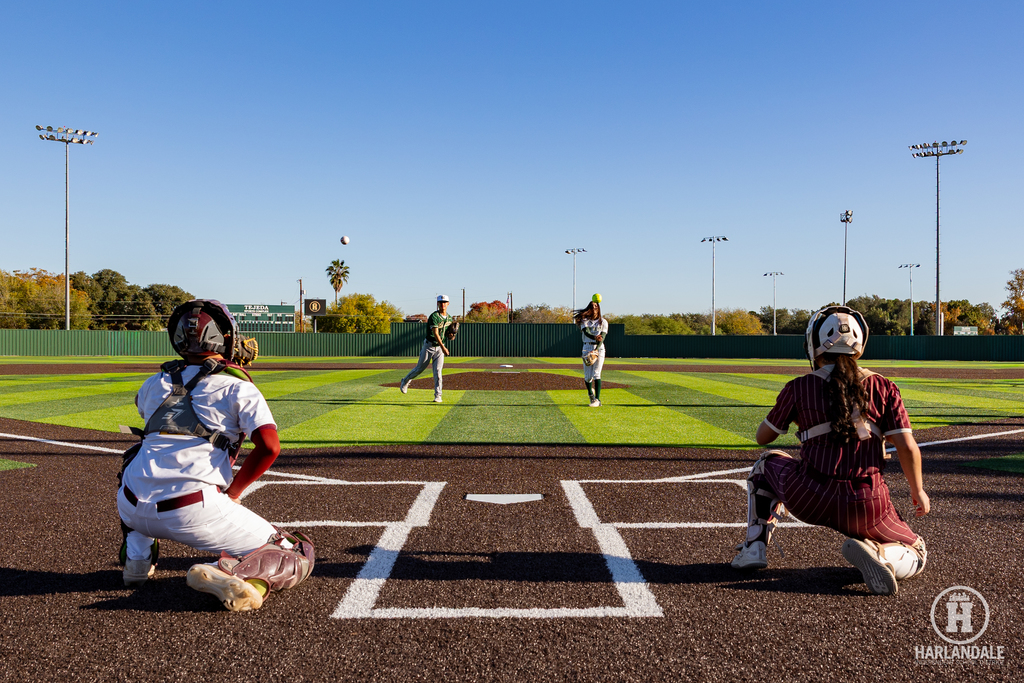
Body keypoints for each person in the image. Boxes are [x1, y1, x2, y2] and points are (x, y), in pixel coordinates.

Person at [117, 299, 314, 612]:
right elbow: (269, 447)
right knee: (296, 551)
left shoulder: (154, 382)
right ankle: (234, 576)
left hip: (130, 505)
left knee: (138, 458)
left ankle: (137, 562)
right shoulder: (237, 387)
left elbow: (147, 414)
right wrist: (234, 493)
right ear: (222, 338)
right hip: (190, 511)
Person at [730, 305, 929, 596]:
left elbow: (763, 438)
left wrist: (801, 416)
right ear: (860, 345)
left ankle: (753, 548)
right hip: (866, 504)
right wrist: (918, 490)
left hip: (808, 496)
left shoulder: (799, 387)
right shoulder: (885, 387)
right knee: (917, 550)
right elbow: (907, 447)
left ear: (814, 345)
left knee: (765, 464)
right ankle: (882, 556)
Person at [399, 294, 455, 403]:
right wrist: (444, 347)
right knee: (419, 369)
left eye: (445, 302)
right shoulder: (434, 316)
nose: (443, 304)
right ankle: (405, 381)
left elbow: (447, 334)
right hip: (429, 346)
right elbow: (435, 333)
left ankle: (438, 395)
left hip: (439, 348)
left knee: (438, 372)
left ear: (448, 303)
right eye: (441, 302)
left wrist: (452, 336)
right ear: (438, 303)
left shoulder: (449, 318)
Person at [575, 294, 608, 407]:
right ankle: (590, 394)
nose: (594, 308)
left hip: (599, 349)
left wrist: (596, 350)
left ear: (599, 308)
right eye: (592, 306)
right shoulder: (585, 320)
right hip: (587, 347)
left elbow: (602, 337)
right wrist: (595, 337)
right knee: (588, 377)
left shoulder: (603, 322)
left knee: (596, 374)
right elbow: (586, 332)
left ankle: (597, 400)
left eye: (596, 306)